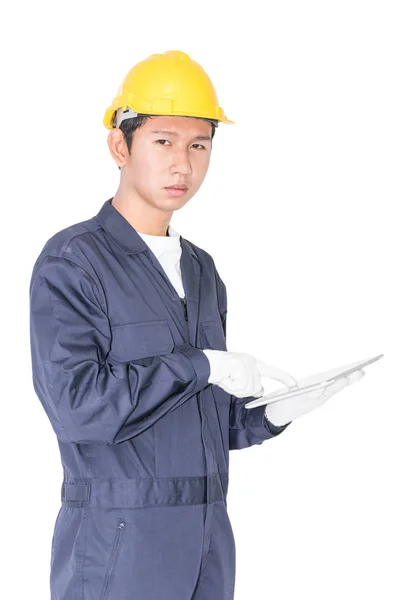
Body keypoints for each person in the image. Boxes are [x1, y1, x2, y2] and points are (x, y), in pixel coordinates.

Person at [29, 49, 364, 600]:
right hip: (121, 546)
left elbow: (198, 425)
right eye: (163, 141)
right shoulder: (74, 262)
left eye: (199, 144)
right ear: (120, 145)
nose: (182, 163)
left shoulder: (200, 270)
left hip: (209, 544)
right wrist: (201, 364)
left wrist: (272, 415)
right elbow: (77, 407)